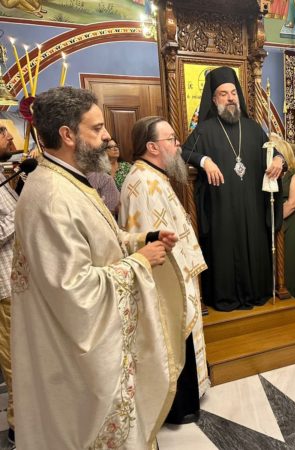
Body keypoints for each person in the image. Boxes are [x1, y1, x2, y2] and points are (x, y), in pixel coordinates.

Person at [20, 86, 182, 448]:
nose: (108, 136)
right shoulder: (52, 196)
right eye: (96, 128)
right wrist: (140, 262)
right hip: (77, 356)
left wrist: (142, 239)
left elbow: (99, 239)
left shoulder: (69, 179)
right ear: (68, 135)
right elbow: (73, 288)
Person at [119, 116, 210, 424]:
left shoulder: (153, 176)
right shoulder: (144, 183)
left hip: (178, 274)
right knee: (172, 338)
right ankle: (178, 406)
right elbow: (151, 241)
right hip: (166, 281)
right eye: (171, 139)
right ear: (152, 147)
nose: (178, 145)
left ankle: (189, 398)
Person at [181, 66, 284, 311]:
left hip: (252, 208)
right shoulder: (205, 130)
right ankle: (225, 297)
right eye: (223, 93)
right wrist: (204, 161)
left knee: (253, 247)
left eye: (233, 93)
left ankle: (255, 292)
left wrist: (280, 159)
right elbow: (182, 152)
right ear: (213, 99)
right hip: (222, 209)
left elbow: (272, 153)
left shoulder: (253, 128)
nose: (230, 98)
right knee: (224, 251)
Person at [271, 135, 295, 300]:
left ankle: (293, 295)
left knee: (289, 259)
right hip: (274, 219)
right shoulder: (271, 173)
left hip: (289, 220)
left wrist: (273, 219)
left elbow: (293, 203)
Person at [0, 125, 17, 445]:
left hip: (18, 283)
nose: (11, 138)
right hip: (4, 288)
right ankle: (20, 424)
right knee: (16, 359)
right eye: (4, 134)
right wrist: (23, 212)